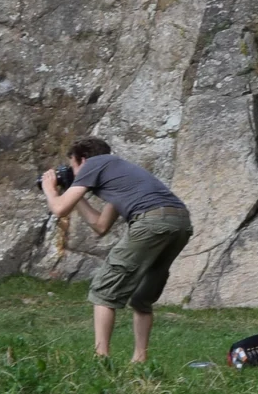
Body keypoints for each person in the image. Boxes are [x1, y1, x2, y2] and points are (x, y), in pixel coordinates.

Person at [38, 135, 193, 364]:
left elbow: (60, 209)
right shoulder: (120, 173)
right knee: (141, 297)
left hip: (151, 222)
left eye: (73, 167)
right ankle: (140, 360)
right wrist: (72, 189)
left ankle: (101, 359)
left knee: (103, 291)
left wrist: (50, 190)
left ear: (82, 159)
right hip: (179, 222)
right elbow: (100, 226)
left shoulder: (93, 163)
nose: (73, 172)